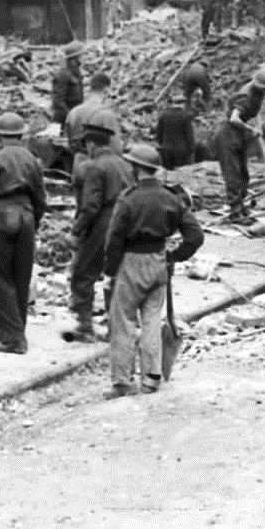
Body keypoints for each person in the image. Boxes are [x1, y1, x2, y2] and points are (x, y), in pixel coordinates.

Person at [103, 142, 204, 398]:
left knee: (123, 321)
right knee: (151, 320)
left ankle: (123, 381)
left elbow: (114, 240)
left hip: (131, 262)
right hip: (159, 261)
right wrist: (174, 256)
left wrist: (109, 272)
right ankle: (152, 378)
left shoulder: (128, 199)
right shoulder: (172, 198)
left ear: (136, 169)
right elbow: (195, 236)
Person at [0, 112, 48, 353]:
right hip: (26, 216)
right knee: (21, 276)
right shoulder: (31, 159)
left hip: (2, 216)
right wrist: (36, 219)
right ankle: (12, 328)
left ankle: (13, 339)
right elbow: (40, 195)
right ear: (21, 134)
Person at [66, 121, 135, 342]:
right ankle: (116, 328)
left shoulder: (96, 166)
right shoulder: (125, 165)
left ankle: (85, 327)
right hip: (125, 223)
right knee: (115, 274)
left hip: (103, 224)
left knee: (83, 273)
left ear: (91, 144)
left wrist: (76, 231)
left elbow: (90, 206)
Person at [214, 67, 265, 221]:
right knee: (233, 173)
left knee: (244, 174)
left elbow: (257, 113)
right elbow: (234, 119)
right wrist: (251, 129)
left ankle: (241, 206)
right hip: (228, 134)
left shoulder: (259, 93)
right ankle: (235, 211)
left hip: (240, 134)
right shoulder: (246, 95)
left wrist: (261, 126)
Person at [65, 72, 120, 158]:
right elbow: (116, 149)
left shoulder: (72, 112)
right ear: (106, 90)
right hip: (100, 167)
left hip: (77, 166)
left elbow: (68, 144)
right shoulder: (107, 114)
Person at [152, 94, 197, 169]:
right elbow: (189, 136)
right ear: (183, 104)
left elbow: (158, 134)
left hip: (166, 150)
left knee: (167, 173)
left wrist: (162, 144)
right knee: (181, 174)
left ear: (172, 103)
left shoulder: (163, 115)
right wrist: (191, 150)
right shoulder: (185, 116)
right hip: (182, 151)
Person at [51, 40, 86, 125]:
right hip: (64, 120)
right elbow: (58, 101)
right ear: (75, 59)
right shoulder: (63, 74)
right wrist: (70, 116)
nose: (84, 58)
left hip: (74, 117)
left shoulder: (76, 72)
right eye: (81, 56)